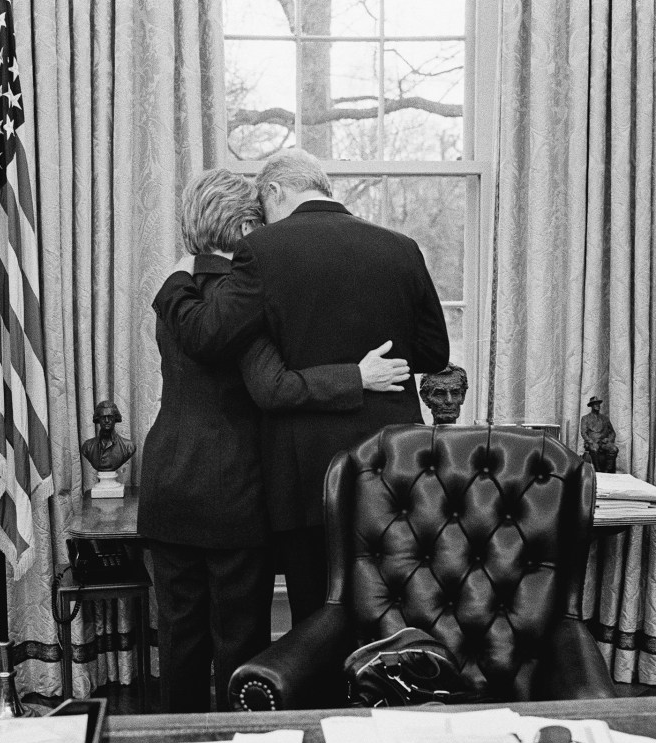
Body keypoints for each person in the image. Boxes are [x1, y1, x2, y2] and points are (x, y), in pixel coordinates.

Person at [138, 167, 410, 713]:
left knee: (179, 642)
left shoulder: (179, 295)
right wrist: (356, 376)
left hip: (166, 486)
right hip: (233, 495)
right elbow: (273, 388)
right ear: (243, 229)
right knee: (239, 646)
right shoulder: (245, 300)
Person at [154, 148, 449, 625]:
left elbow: (207, 334)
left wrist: (173, 280)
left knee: (318, 622)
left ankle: (318, 701)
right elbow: (435, 353)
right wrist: (367, 369)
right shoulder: (402, 247)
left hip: (305, 477)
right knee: (393, 617)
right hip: (393, 469)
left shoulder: (264, 252)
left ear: (273, 191)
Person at [80, 400, 136, 472]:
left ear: (115, 419)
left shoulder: (128, 446)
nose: (107, 420)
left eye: (110, 417)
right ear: (98, 419)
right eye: (103, 417)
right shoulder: (87, 446)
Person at [580, 396, 618, 473]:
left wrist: (609, 440)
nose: (597, 405)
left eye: (598, 404)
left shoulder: (605, 418)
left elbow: (612, 432)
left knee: (614, 449)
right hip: (592, 442)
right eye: (595, 404)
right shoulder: (585, 418)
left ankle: (607, 471)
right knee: (594, 449)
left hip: (603, 443)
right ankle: (598, 471)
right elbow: (583, 433)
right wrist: (590, 441)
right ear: (591, 406)